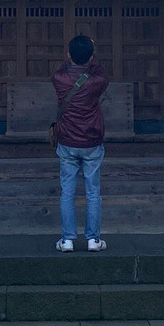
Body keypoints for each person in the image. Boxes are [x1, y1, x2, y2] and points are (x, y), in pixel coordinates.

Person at [51, 35, 109, 252]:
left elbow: (63, 69)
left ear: (68, 56)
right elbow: (100, 71)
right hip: (92, 141)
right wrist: (92, 54)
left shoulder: (58, 78)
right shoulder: (98, 81)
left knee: (67, 191)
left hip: (67, 140)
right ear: (91, 57)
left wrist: (73, 59)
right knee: (93, 192)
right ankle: (93, 240)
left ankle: (67, 240)